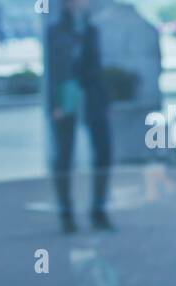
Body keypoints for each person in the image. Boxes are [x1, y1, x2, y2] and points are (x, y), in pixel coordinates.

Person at [46, 0, 113, 234]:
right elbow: (56, 70)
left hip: (92, 99)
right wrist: (57, 103)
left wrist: (104, 101)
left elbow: (95, 68)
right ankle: (66, 213)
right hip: (67, 98)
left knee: (103, 152)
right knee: (64, 156)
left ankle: (99, 210)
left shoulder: (92, 29)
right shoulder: (56, 31)